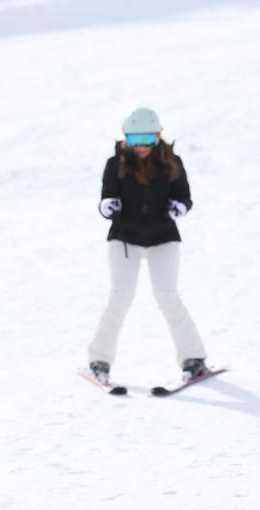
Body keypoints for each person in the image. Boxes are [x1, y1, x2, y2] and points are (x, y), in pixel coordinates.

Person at [87, 107, 208, 384]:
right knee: (120, 296)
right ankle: (99, 360)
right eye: (135, 139)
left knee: (167, 295)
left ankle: (194, 358)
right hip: (124, 238)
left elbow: (184, 196)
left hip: (162, 237)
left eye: (147, 139)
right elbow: (107, 195)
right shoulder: (114, 163)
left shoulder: (172, 162)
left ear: (158, 138)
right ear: (126, 139)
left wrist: (179, 207)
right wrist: (108, 206)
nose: (141, 146)